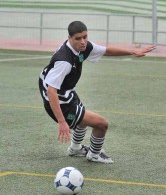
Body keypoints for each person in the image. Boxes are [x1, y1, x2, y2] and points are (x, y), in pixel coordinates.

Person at [39, 21, 155, 163]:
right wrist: (62, 122)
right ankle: (94, 154)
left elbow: (107, 51)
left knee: (84, 118)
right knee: (102, 124)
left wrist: (132, 52)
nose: (83, 41)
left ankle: (75, 149)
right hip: (60, 101)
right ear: (69, 38)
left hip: (66, 93)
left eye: (85, 37)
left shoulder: (83, 47)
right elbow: (51, 91)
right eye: (78, 38)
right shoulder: (64, 61)